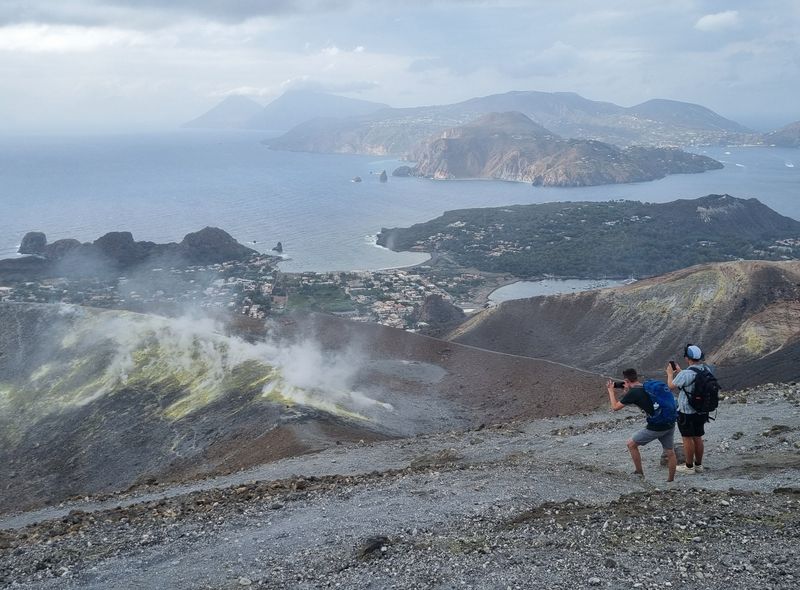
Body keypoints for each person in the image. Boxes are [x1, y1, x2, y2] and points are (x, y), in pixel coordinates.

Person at [607, 368, 677, 482]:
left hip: (656, 427)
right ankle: (670, 480)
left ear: (626, 380)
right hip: (669, 422)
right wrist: (627, 392)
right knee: (670, 451)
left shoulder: (633, 393)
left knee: (631, 444)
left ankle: (639, 473)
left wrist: (611, 391)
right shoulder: (647, 387)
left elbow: (615, 407)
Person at [666, 344, 711, 475]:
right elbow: (691, 380)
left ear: (687, 358)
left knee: (687, 438)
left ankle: (689, 466)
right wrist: (680, 372)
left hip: (686, 411)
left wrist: (670, 374)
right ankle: (699, 465)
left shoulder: (685, 374)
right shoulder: (706, 370)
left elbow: (670, 386)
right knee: (698, 437)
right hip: (701, 410)